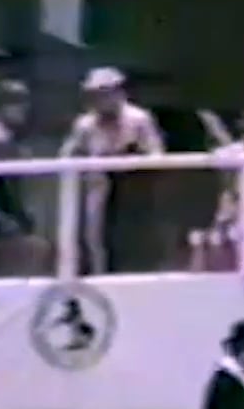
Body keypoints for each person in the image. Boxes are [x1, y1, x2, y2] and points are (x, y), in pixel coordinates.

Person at [58, 66, 167, 274]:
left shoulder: (139, 120)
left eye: (106, 93)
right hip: (99, 189)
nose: (100, 99)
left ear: (119, 92)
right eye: (95, 94)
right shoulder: (85, 125)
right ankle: (101, 278)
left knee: (135, 241)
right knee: (96, 240)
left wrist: (134, 156)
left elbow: (157, 154)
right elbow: (67, 155)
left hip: (134, 193)